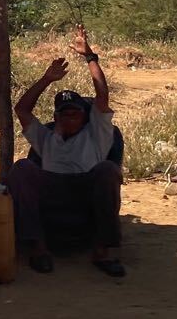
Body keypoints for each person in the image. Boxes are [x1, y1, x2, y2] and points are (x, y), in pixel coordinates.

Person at [10, 25, 125, 278]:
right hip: (52, 189)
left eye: (75, 113)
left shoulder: (97, 133)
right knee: (22, 168)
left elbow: (102, 95)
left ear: (86, 116)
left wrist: (89, 57)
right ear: (56, 116)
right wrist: (46, 79)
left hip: (85, 187)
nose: (70, 118)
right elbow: (22, 110)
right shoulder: (47, 137)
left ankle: (102, 252)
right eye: (64, 113)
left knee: (108, 170)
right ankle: (38, 249)